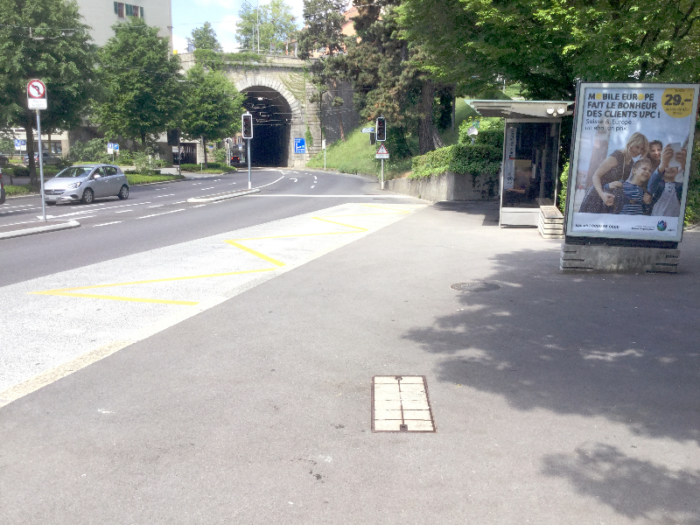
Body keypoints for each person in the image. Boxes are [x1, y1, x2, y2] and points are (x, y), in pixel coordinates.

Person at [578, 132, 649, 214]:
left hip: (611, 199)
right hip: (598, 196)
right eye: (637, 147)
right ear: (631, 143)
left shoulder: (631, 162)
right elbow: (596, 176)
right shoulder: (616, 156)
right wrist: (602, 194)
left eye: (642, 149)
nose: (639, 151)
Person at [647, 144, 686, 217]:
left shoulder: (679, 186)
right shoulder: (658, 185)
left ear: (678, 169)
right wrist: (662, 165)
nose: (670, 168)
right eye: (666, 166)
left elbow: (687, 186)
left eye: (673, 166)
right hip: (655, 221)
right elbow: (651, 187)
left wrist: (684, 165)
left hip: (673, 223)